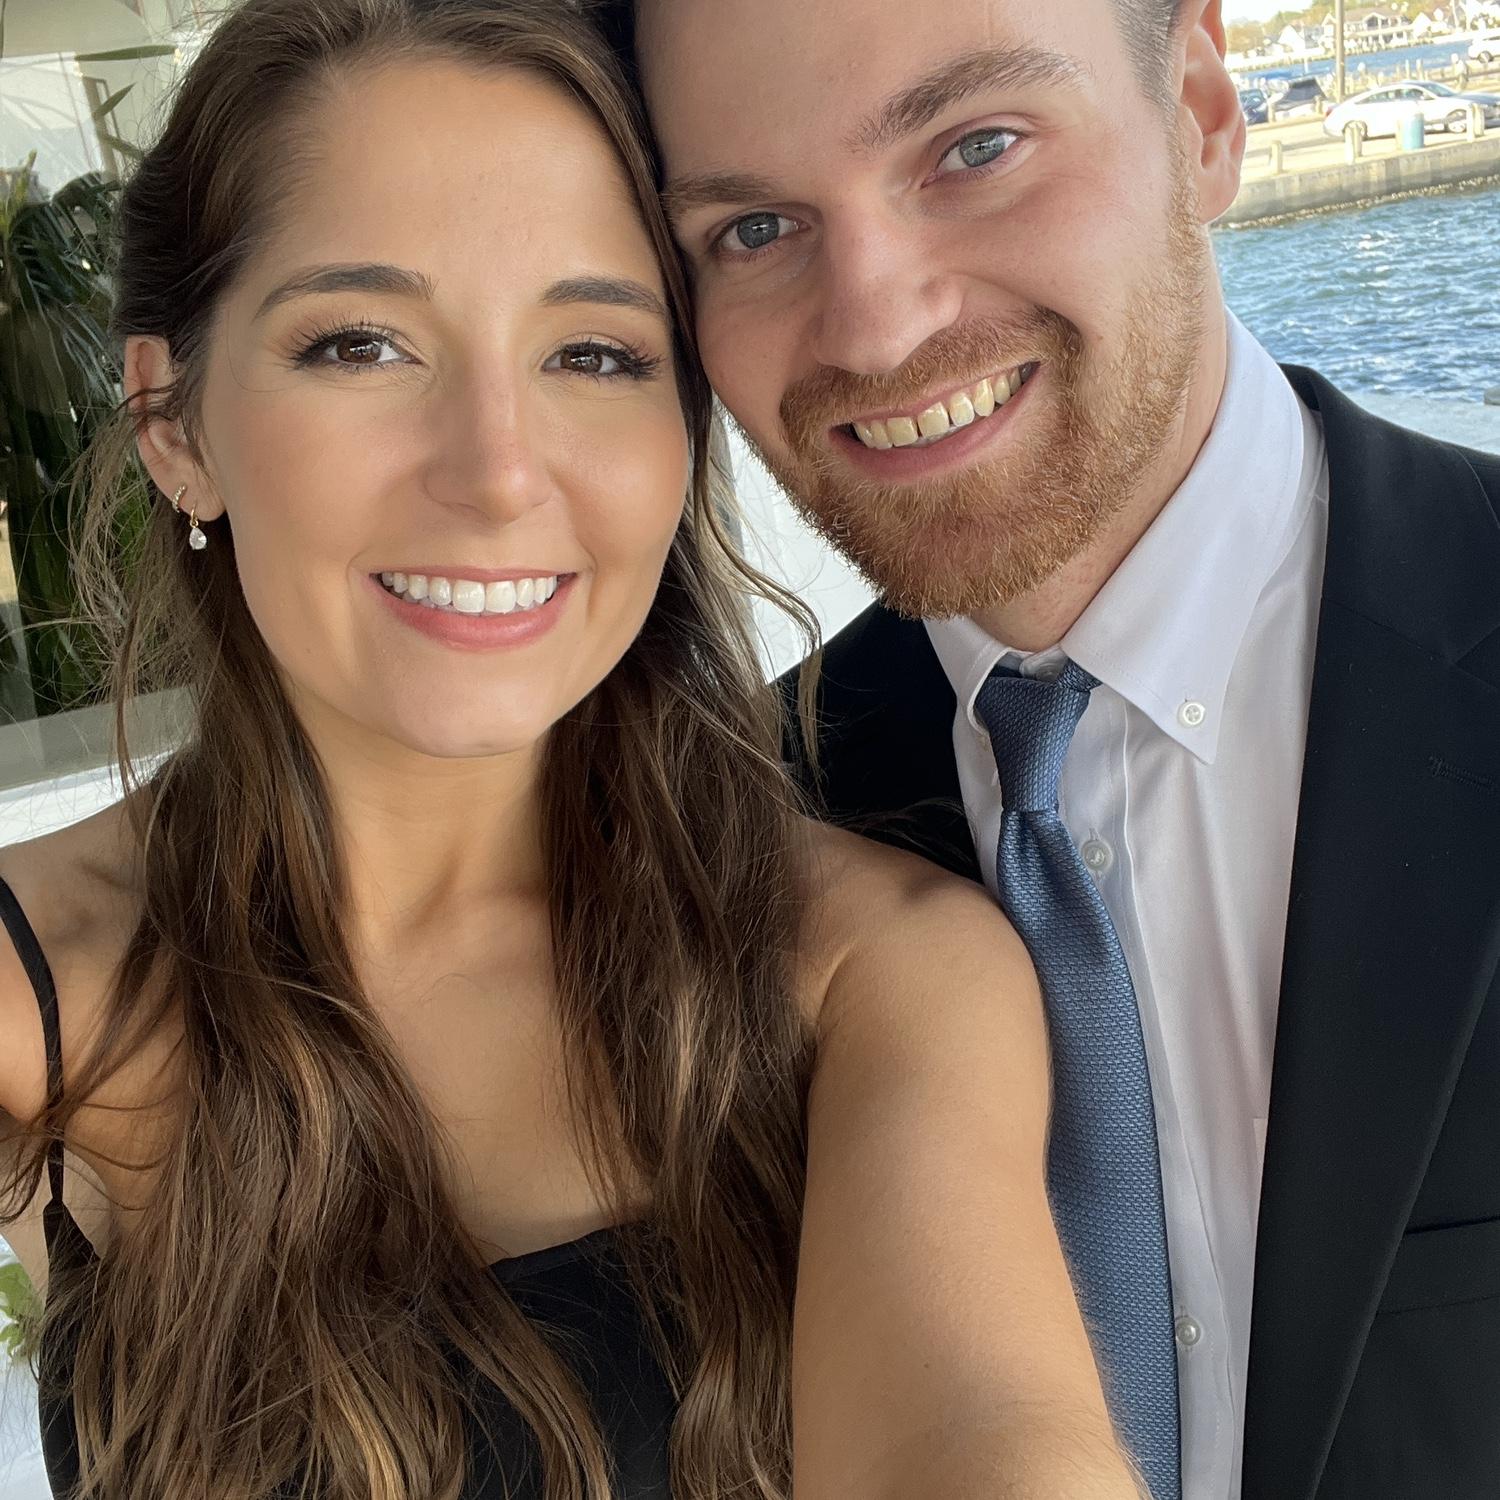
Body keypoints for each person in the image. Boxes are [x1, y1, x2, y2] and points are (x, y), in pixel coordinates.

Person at [0, 2, 1149, 1498]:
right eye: (361, 344)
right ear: (172, 421)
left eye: (594, 353)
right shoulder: (39, 987)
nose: (496, 472)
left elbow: (979, 1438)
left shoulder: (872, 971)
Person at [605, 0, 1500, 1496]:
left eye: (978, 147)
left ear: (1199, 110)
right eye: (753, 230)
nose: (878, 326)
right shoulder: (726, 835)